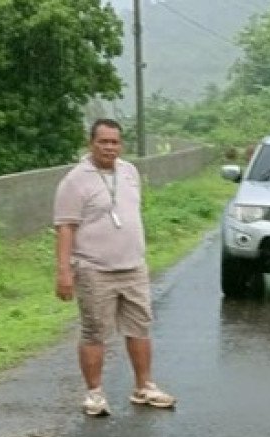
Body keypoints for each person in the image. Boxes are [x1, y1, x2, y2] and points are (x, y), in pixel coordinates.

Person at [54, 118, 176, 416]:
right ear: (91, 143)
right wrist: (64, 272)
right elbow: (65, 227)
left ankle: (144, 386)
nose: (110, 147)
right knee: (95, 331)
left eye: (115, 142)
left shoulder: (129, 171)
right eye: (103, 141)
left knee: (140, 326)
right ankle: (94, 393)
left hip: (133, 266)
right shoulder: (75, 180)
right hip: (94, 269)